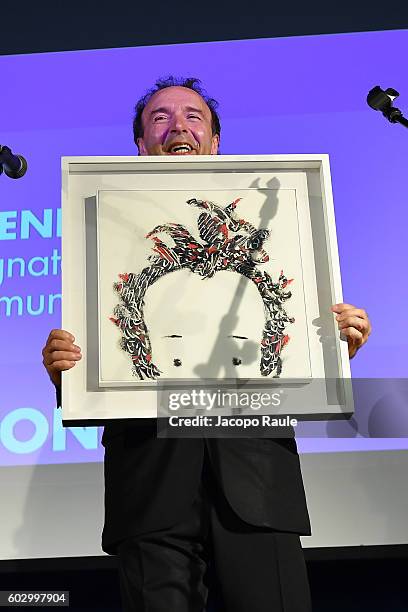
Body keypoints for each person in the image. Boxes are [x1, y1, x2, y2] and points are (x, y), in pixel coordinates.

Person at [42, 76, 371, 612]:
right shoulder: (102, 228)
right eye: (160, 117)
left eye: (194, 117)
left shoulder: (278, 221)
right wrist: (68, 374)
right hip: (150, 486)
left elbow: (286, 349)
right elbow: (103, 351)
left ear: (215, 142)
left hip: (258, 482)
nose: (178, 127)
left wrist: (330, 354)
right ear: (140, 145)